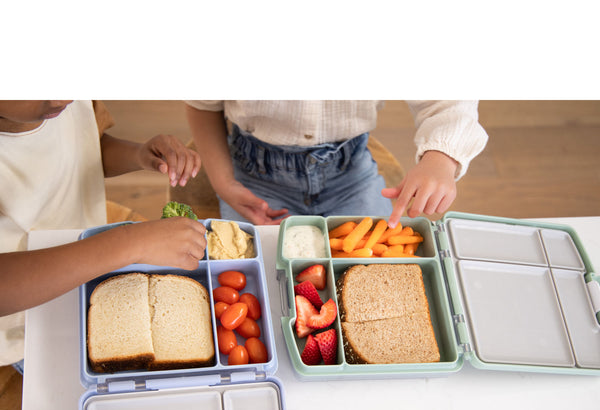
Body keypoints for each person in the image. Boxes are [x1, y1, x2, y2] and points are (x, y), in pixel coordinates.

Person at [0, 100, 207, 372]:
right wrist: (131, 242)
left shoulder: (63, 102)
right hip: (26, 329)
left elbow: (87, 144)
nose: (62, 99)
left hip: (94, 262)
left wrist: (138, 154)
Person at [185, 100, 488, 228]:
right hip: (254, 176)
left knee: (380, 271)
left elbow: (448, 101)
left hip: (350, 172)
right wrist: (224, 183)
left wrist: (441, 158)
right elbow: (202, 105)